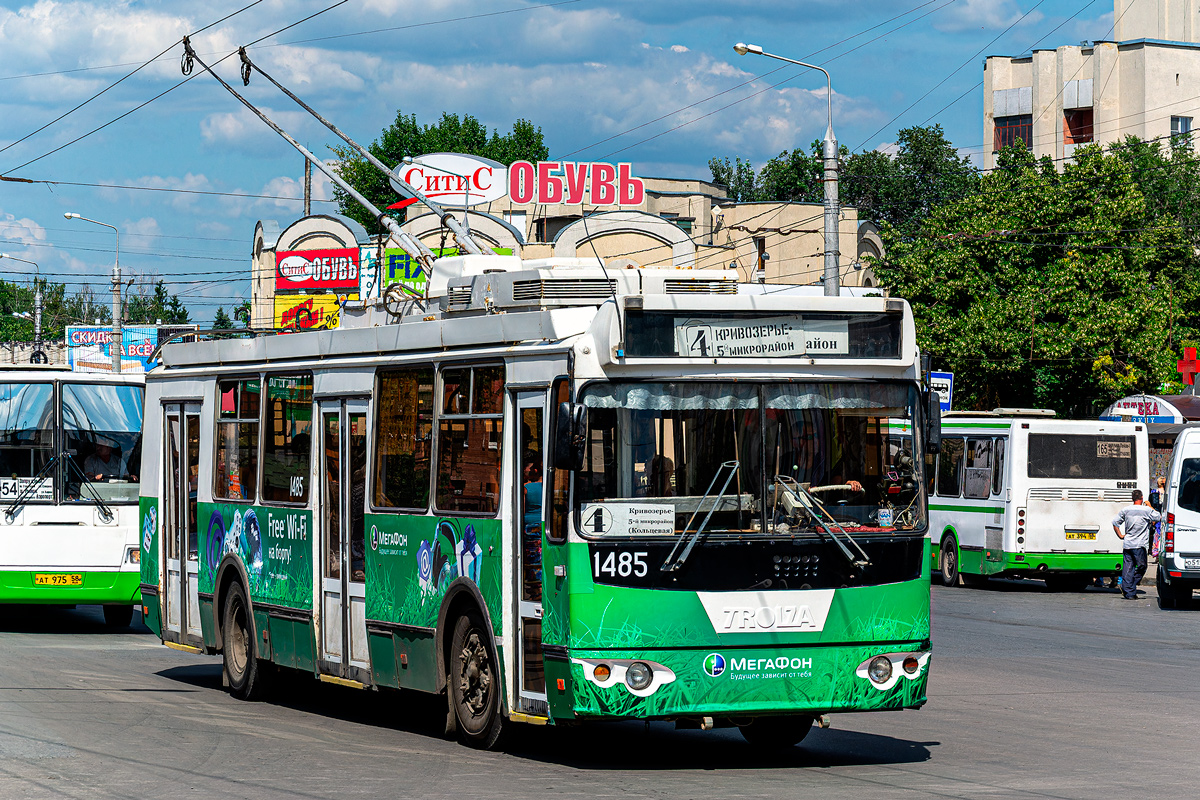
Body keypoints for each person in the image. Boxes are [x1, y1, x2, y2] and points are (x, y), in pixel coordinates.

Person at [1112, 489, 1161, 600]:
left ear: (1132, 498)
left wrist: (1120, 535)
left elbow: (1115, 523)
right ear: (1142, 498)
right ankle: (1129, 587)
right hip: (1139, 545)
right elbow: (1158, 517)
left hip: (1128, 544)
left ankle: (1129, 591)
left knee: (1128, 568)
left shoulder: (1126, 510)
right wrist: (1150, 506)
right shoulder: (1146, 510)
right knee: (1142, 567)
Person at [1150, 475, 1167, 557]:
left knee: (1157, 533)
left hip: (1157, 514)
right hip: (1166, 514)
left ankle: (1156, 551)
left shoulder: (1154, 492)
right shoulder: (1168, 492)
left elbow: (1153, 504)